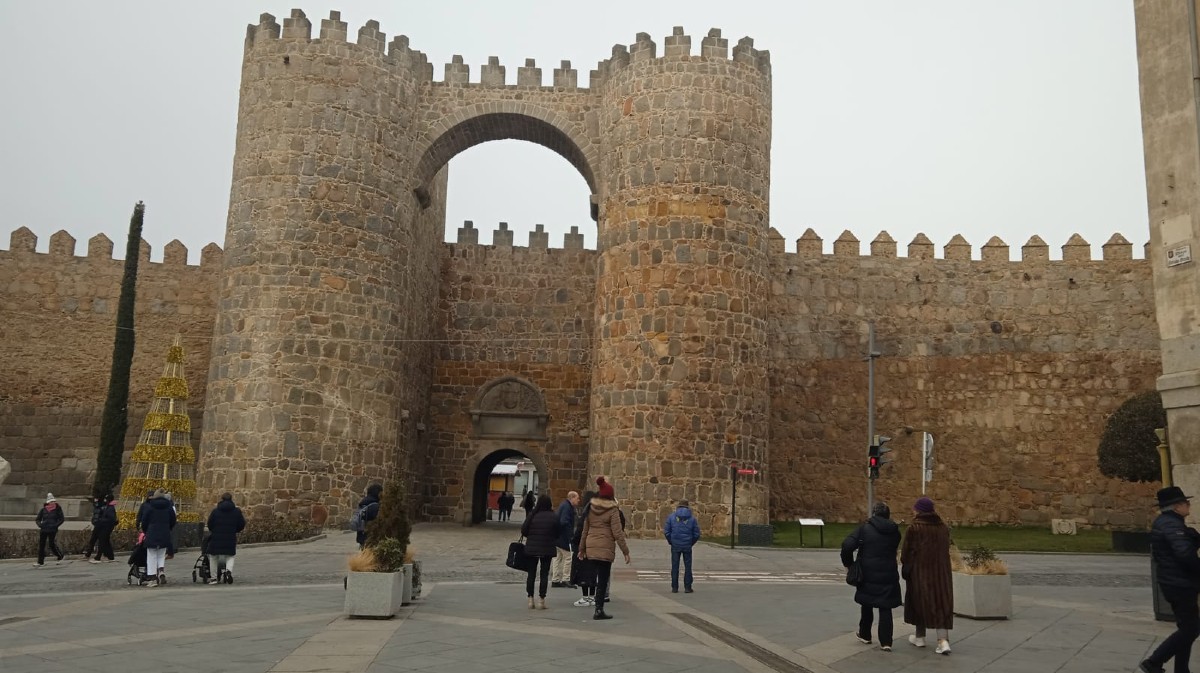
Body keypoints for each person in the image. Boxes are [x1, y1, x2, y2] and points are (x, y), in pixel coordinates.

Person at [1141, 486, 1200, 673]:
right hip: (1179, 584)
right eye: (1186, 502)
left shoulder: (1169, 523)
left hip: (1174, 582)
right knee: (1191, 629)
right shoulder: (1171, 525)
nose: (1189, 505)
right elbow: (1184, 554)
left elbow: (1183, 544)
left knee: (1187, 629)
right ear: (1176, 506)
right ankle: (1154, 662)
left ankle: (1181, 670)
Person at [841, 501, 902, 651]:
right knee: (885, 607)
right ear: (888, 515)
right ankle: (886, 641)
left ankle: (865, 634)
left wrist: (849, 564)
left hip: (867, 571)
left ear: (874, 513)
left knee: (867, 602)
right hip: (888, 571)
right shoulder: (895, 531)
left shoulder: (865, 529)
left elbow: (847, 545)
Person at [900, 496, 954, 655]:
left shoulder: (914, 528)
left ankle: (920, 637)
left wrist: (907, 566)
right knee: (941, 604)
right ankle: (943, 641)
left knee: (919, 602)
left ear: (919, 510)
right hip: (941, 574)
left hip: (920, 573)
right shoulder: (943, 528)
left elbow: (906, 553)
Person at [578, 476, 630, 620]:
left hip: (591, 547)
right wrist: (625, 551)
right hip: (605, 549)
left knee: (593, 576)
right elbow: (618, 532)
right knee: (602, 580)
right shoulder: (613, 511)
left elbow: (585, 530)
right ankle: (598, 609)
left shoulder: (591, 509)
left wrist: (581, 549)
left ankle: (590, 600)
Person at [520, 494, 560, 609]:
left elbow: (524, 530)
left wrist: (532, 536)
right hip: (547, 548)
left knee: (531, 574)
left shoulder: (533, 514)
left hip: (532, 548)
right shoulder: (553, 516)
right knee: (544, 574)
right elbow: (558, 532)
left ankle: (530, 599)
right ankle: (541, 600)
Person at [206, 492, 247, 584]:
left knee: (213, 557)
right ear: (231, 499)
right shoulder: (237, 511)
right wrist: (235, 530)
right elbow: (241, 524)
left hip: (216, 537)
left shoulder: (215, 511)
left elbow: (210, 524)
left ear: (222, 499)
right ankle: (228, 571)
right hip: (230, 537)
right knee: (230, 556)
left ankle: (213, 578)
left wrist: (214, 530)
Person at [663, 498, 702, 594]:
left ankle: (674, 587)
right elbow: (696, 534)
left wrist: (671, 541)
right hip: (687, 545)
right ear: (687, 507)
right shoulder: (692, 519)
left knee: (675, 565)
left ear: (678, 506)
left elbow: (667, 531)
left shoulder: (671, 517)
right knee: (688, 566)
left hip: (675, 544)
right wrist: (690, 542)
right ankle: (688, 587)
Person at [140, 489, 177, 587]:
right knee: (161, 554)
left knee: (151, 555)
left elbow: (144, 520)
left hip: (152, 532)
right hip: (164, 532)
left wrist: (145, 530)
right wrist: (168, 528)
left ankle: (152, 578)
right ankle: (161, 571)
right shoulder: (168, 506)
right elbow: (173, 519)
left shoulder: (150, 506)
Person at [571, 490, 598, 607]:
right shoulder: (598, 513)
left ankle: (585, 597)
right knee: (593, 572)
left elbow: (580, 532)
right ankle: (592, 597)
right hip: (596, 547)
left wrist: (575, 543)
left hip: (585, 547)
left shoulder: (586, 514)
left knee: (584, 572)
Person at [551, 491, 580, 588]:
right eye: (577, 498)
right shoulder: (567, 507)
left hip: (557, 537)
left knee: (557, 558)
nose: (578, 500)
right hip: (563, 537)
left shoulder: (563, 505)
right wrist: (570, 535)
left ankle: (555, 579)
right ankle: (566, 579)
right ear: (572, 498)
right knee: (568, 557)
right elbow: (564, 522)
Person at [33, 493, 65, 567]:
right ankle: (40, 562)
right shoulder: (43, 510)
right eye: (51, 502)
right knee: (41, 545)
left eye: (53, 501)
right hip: (44, 529)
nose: (52, 503)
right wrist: (40, 525)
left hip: (52, 529)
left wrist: (55, 525)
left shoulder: (58, 509)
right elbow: (38, 519)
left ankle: (60, 556)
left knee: (51, 544)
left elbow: (62, 519)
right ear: (48, 502)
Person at [88, 493, 118, 564]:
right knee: (106, 542)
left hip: (106, 528)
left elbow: (111, 519)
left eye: (106, 499)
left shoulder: (110, 508)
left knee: (102, 542)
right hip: (104, 527)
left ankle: (98, 557)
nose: (105, 500)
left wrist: (101, 520)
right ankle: (111, 556)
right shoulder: (107, 507)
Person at [355, 483, 382, 548]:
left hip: (361, 537)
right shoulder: (375, 506)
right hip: (372, 539)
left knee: (365, 555)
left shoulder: (362, 504)